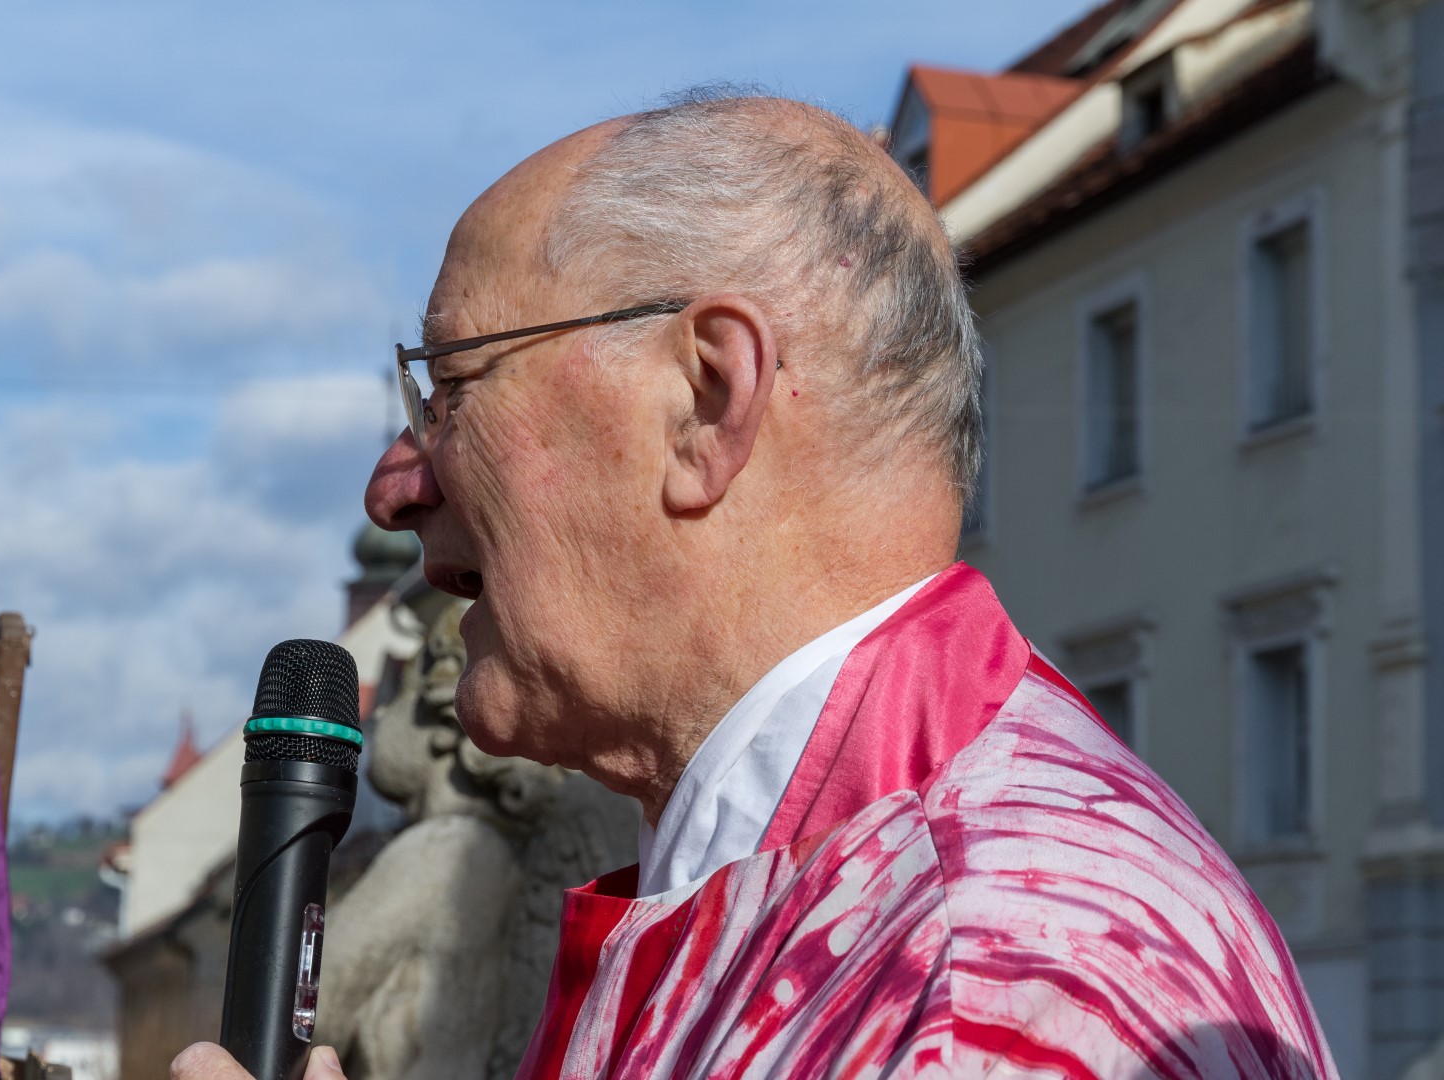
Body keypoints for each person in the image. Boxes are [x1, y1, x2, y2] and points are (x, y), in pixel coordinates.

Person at [176, 93, 1334, 1079]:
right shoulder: (857, 904)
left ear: (706, 402)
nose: (393, 487)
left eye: (453, 387)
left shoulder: (984, 981)